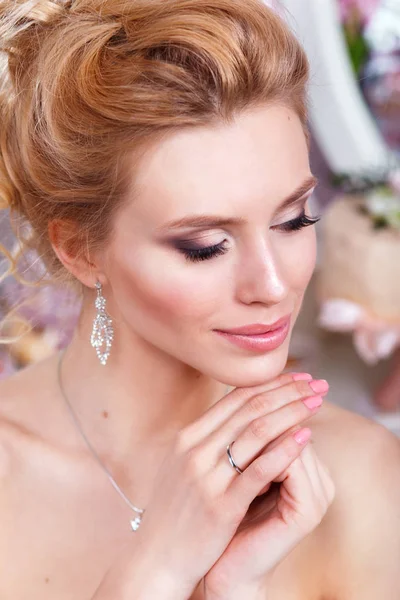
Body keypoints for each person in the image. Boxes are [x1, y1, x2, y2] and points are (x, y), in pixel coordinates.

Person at [0, 0, 399, 598]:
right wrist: (153, 573)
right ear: (81, 250)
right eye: (205, 246)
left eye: (293, 220)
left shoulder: (361, 479)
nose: (273, 284)